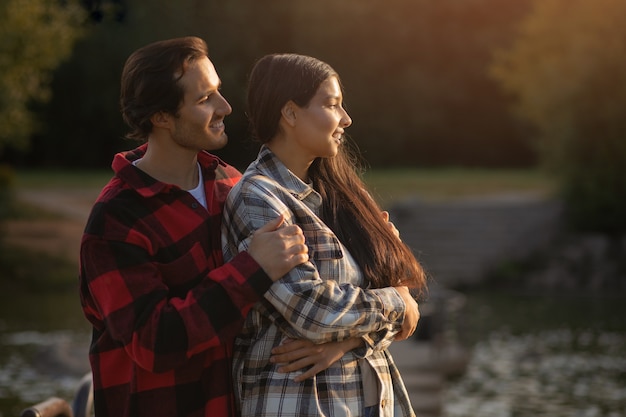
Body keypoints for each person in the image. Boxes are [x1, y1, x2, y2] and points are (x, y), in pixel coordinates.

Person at [78, 37, 311, 417]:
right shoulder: (115, 220)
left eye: (218, 91)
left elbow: (295, 281)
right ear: (162, 117)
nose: (225, 107)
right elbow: (154, 342)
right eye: (205, 99)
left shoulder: (230, 184)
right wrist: (251, 269)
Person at [222, 53, 428, 417]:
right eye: (332, 105)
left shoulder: (348, 197)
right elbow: (312, 311)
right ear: (290, 113)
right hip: (299, 401)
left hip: (371, 399)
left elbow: (407, 317)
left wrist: (348, 340)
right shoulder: (257, 198)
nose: (346, 119)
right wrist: (396, 301)